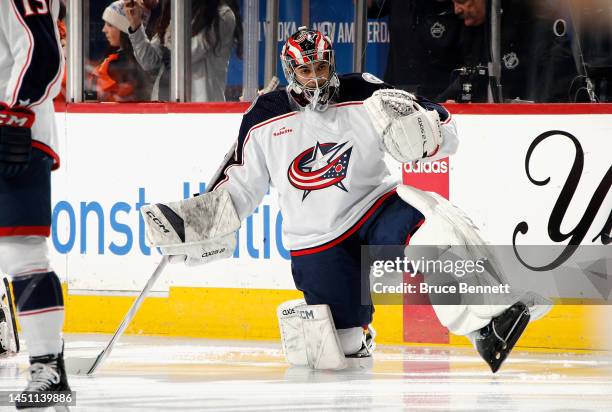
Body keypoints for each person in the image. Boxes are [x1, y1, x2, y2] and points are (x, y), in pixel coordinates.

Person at [141, 27, 548, 372]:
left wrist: (426, 132)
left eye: (321, 67)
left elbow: (443, 125)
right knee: (341, 349)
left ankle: (488, 324)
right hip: (315, 239)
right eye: (305, 69)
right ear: (290, 72)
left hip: (375, 208)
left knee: (433, 227)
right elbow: (239, 187)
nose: (316, 79)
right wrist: (193, 225)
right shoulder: (264, 118)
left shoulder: (365, 91)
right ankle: (359, 338)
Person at [0, 0, 70, 407]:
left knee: (19, 251)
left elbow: (43, 55)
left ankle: (48, 367)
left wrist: (9, 111)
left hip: (16, 131)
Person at [439, 0, 582, 102]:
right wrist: (443, 105)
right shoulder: (473, 30)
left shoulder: (533, 20)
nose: (457, 9)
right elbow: (473, 73)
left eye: (462, 1)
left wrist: (540, 112)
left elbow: (554, 75)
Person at [123, 0, 241, 102]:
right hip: (163, 106)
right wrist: (136, 25)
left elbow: (186, 55)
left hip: (202, 111)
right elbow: (149, 62)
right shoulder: (175, 14)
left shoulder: (222, 15)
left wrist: (168, 34)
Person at [367, 0, 464, 101]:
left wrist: (451, 95)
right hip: (398, 90)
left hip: (442, 94)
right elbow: (371, 7)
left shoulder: (457, 8)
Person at [90, 1, 151, 102]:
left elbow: (100, 96)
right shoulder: (129, 59)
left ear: (124, 30)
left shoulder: (123, 64)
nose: (103, 30)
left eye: (109, 25)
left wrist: (84, 94)